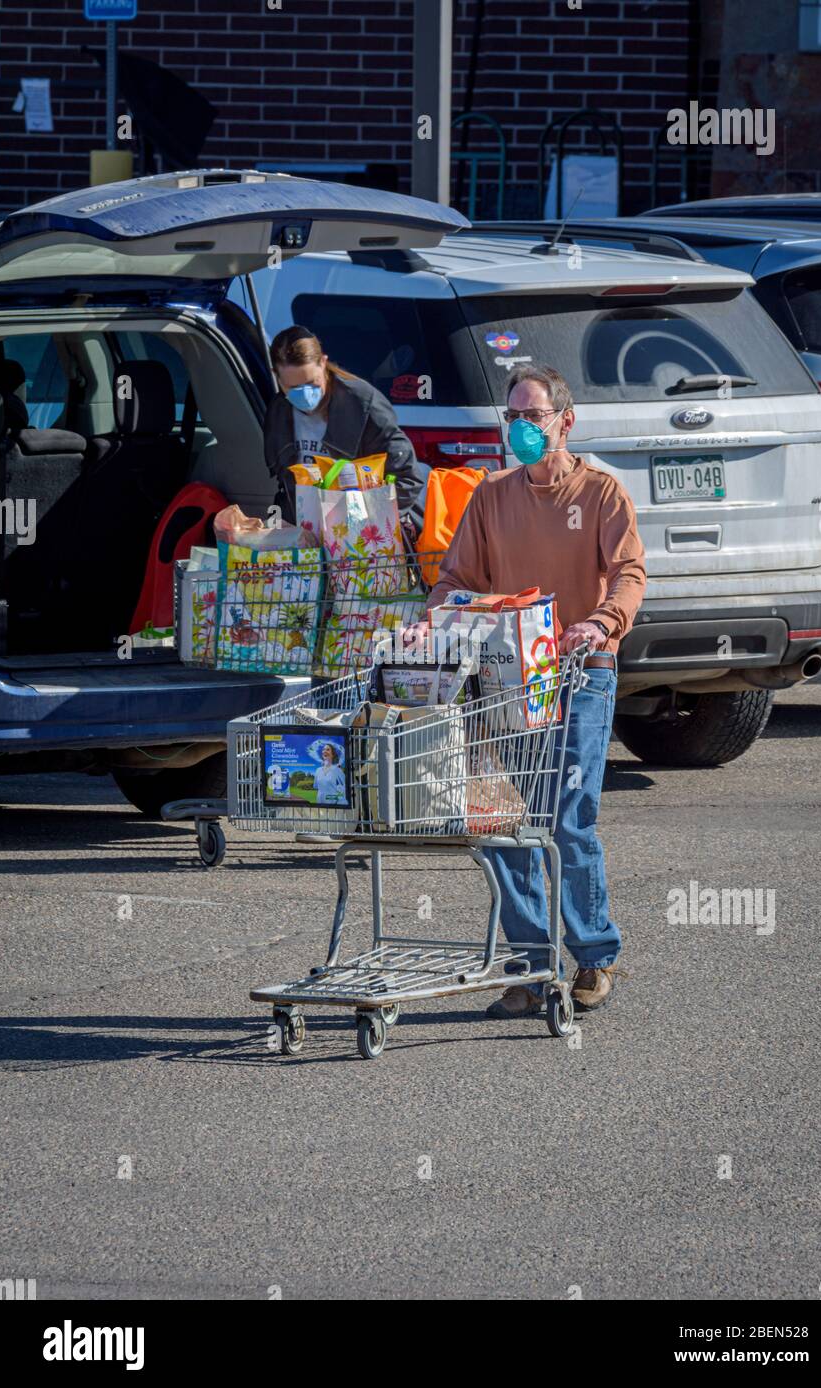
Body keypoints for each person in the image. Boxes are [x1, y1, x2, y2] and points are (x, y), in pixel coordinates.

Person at [406, 363, 646, 1018]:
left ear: (565, 421)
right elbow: (455, 577)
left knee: (568, 822)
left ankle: (594, 955)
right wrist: (434, 621)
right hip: (503, 681)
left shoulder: (601, 494)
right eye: (511, 416)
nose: (520, 428)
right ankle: (533, 961)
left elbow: (629, 573)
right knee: (498, 822)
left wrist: (600, 624)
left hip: (578, 675)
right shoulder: (492, 496)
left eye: (532, 415)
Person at [263, 325, 424, 527]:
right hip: (308, 535)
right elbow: (285, 487)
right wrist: (278, 528)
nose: (304, 394)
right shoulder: (278, 412)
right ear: (276, 376)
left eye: (312, 383)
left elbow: (407, 479)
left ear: (323, 362)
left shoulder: (363, 404)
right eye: (292, 387)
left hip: (361, 536)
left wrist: (363, 522)